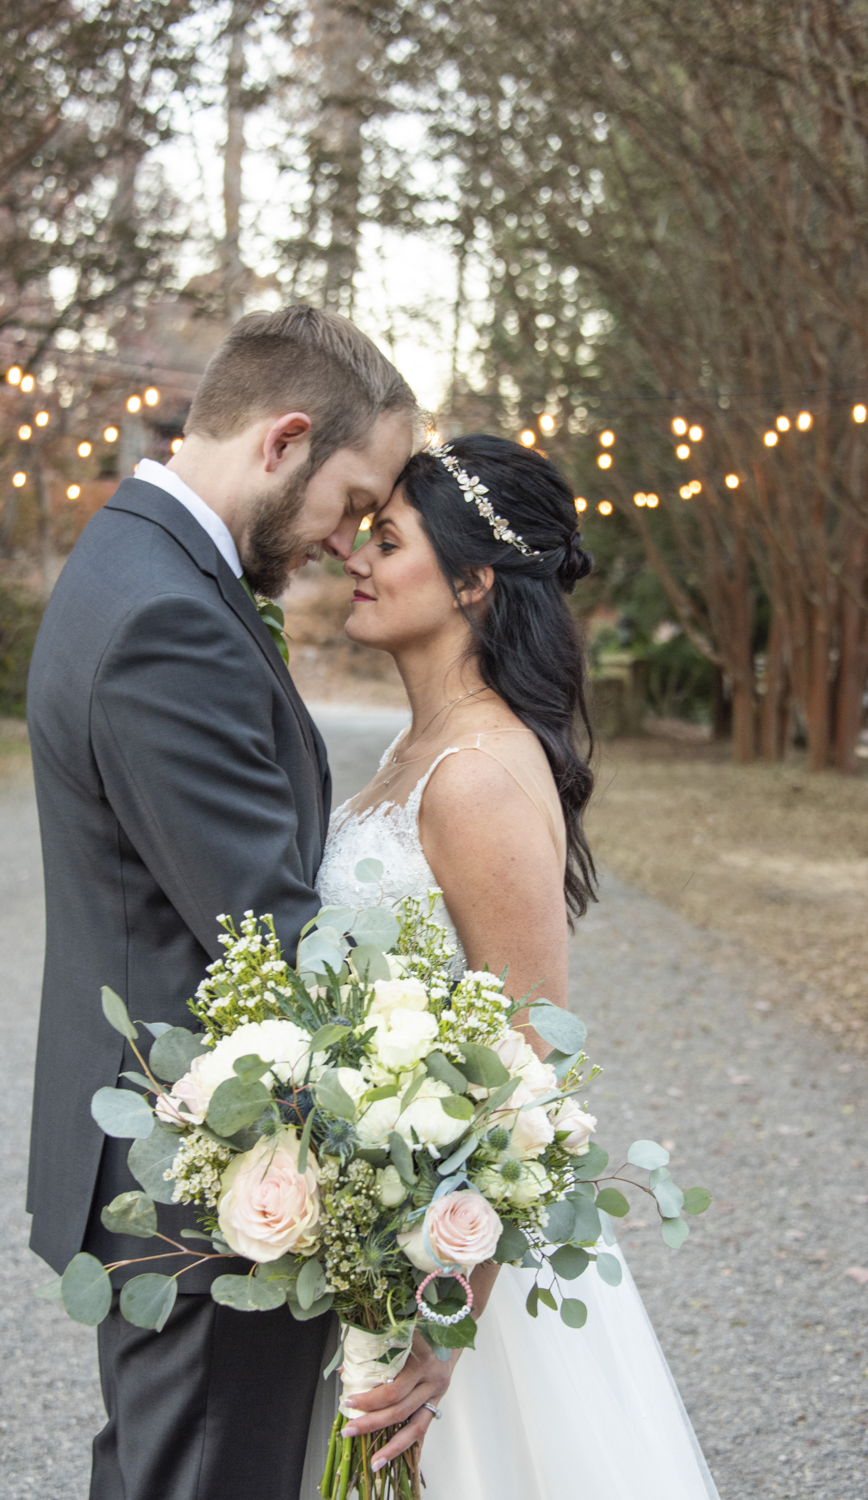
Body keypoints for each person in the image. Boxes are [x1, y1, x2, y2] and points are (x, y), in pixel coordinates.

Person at [24, 306, 417, 1500]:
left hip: (178, 1168)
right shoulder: (168, 618)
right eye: (351, 502)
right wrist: (436, 1088)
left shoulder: (140, 563)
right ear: (284, 440)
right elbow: (269, 933)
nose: (350, 543)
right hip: (212, 1186)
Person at [310, 435, 720, 1498]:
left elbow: (530, 1072)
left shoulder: (478, 775)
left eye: (386, 539)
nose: (356, 556)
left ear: (472, 581)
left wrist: (449, 1330)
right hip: (385, 1223)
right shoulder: (421, 749)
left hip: (458, 1273)